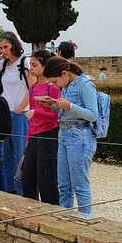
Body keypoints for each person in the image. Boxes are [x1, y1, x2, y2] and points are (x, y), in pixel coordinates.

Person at [44, 57, 99, 218]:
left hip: (80, 136)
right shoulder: (67, 86)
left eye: (55, 81)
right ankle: (65, 218)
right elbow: (66, 113)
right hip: (65, 135)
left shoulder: (85, 85)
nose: (55, 85)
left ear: (64, 74)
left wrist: (69, 106)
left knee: (80, 185)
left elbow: (93, 115)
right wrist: (54, 106)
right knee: (64, 185)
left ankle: (85, 219)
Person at [0, 32, 32, 195]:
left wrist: (21, 107)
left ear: (14, 45)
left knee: (18, 153)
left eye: (6, 47)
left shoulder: (25, 62)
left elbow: (32, 87)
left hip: (19, 114)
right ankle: (9, 190)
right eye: (0, 47)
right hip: (3, 114)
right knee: (5, 155)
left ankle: (21, 191)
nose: (3, 50)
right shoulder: (2, 64)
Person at [20, 51, 61, 204]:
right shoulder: (33, 87)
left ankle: (51, 211)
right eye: (30, 64)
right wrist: (28, 137)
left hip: (49, 135)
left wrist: (36, 112)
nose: (31, 68)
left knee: (46, 177)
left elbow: (57, 115)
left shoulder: (53, 88)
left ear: (45, 66)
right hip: (34, 135)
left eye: (34, 65)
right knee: (27, 175)